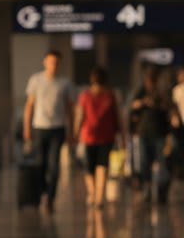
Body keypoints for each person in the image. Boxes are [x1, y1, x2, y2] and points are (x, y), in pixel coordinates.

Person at [22, 49, 75, 212]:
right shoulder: (36, 80)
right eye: (50, 62)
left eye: (56, 63)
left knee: (54, 165)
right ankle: (41, 193)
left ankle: (50, 197)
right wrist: (27, 128)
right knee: (40, 163)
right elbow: (29, 106)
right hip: (39, 127)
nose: (53, 65)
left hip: (57, 128)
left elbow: (69, 109)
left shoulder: (64, 83)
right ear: (45, 62)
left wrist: (72, 131)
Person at [73, 66, 122, 209]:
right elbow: (118, 117)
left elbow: (80, 116)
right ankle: (99, 198)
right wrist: (123, 136)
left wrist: (75, 134)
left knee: (88, 169)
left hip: (88, 136)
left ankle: (93, 193)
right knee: (102, 167)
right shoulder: (110, 96)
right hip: (106, 136)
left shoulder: (85, 96)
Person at [129, 66, 172, 204]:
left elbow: (169, 108)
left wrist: (157, 105)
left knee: (162, 164)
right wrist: (143, 103)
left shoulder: (162, 91)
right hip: (144, 133)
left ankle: (161, 191)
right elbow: (132, 106)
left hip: (160, 133)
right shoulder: (141, 90)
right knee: (144, 162)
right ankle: (146, 189)